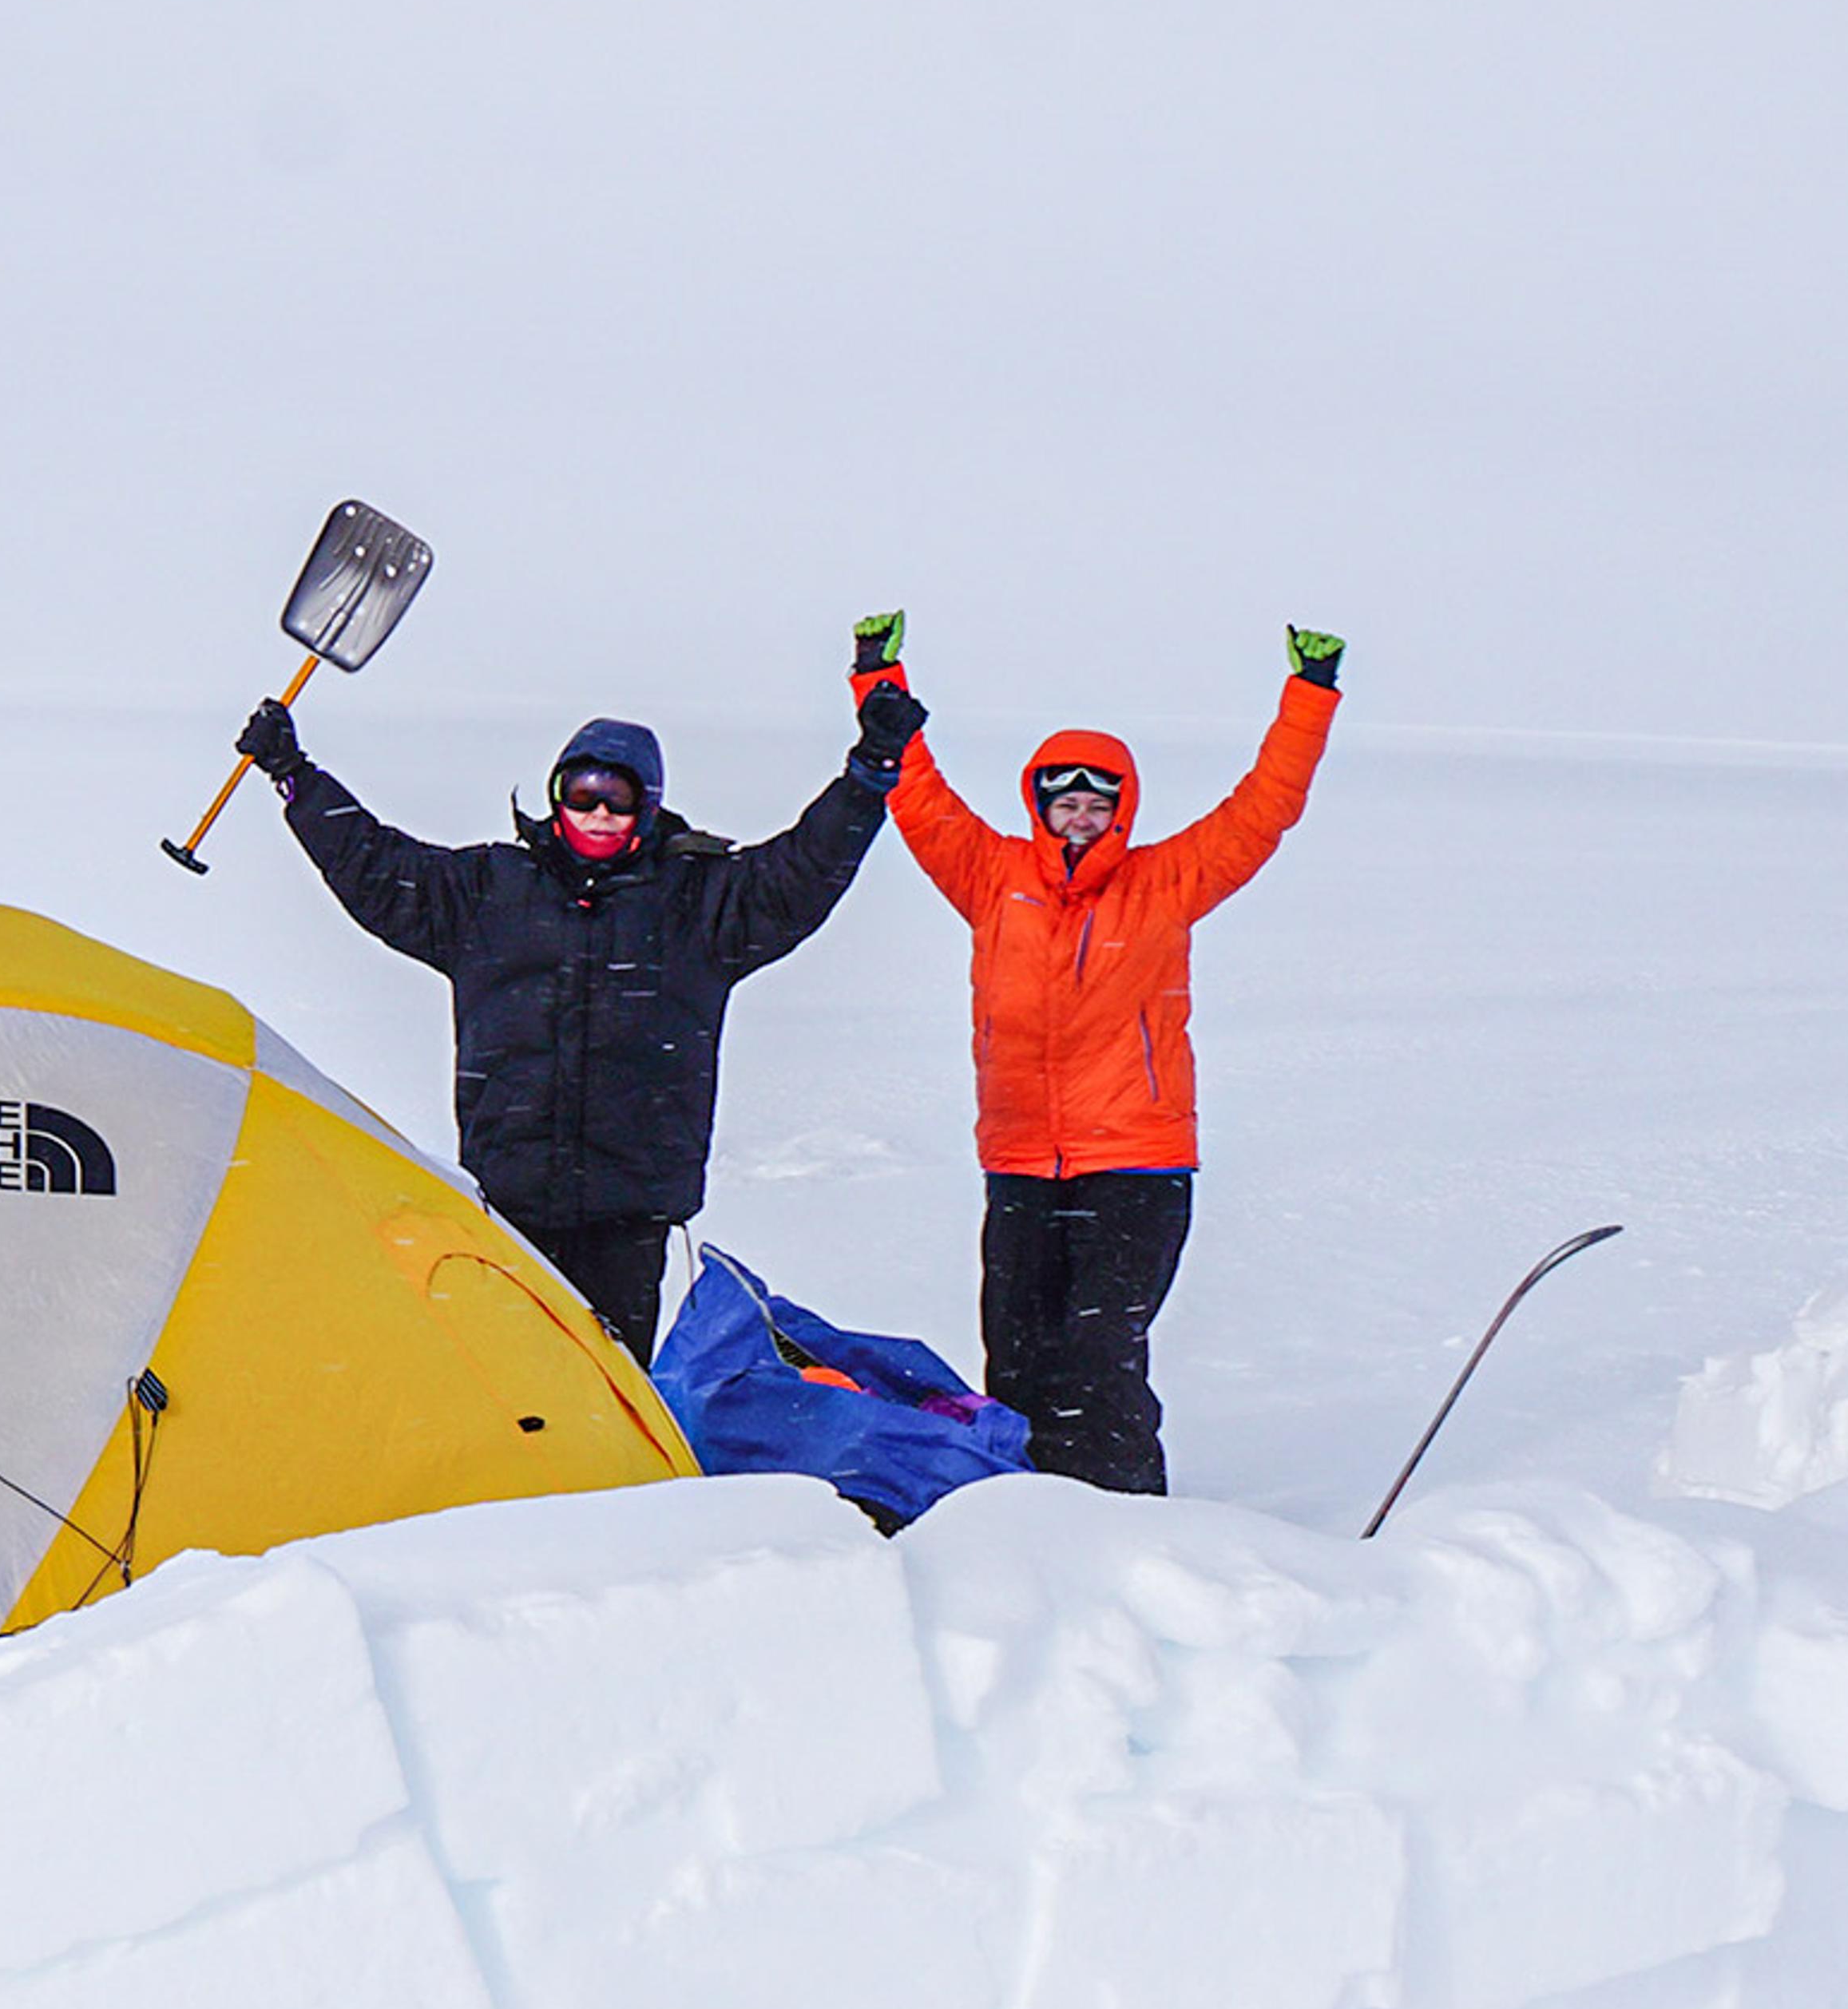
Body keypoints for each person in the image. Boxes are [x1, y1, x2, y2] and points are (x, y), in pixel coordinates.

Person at [231, 667, 918, 1364]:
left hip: (628, 1218)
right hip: (511, 1204)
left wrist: (867, 777)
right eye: (580, 793)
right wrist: (294, 775)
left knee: (611, 1395)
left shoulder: (698, 906)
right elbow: (377, 869)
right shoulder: (490, 892)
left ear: (645, 807)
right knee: (511, 1386)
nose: (595, 813)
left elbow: (801, 873)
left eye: (615, 798)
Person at [868, 620, 1342, 1493]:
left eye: (1098, 804)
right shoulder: (989, 876)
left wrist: (1309, 695)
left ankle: (1125, 1515)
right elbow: (921, 802)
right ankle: (1026, 1509)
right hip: (1019, 1159)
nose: (1081, 819)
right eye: (1065, 802)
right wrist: (876, 678)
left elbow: (1265, 805)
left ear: (1121, 810)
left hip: (1136, 1161)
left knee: (1098, 1352)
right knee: (1016, 1349)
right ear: (1038, 805)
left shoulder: (1168, 880)